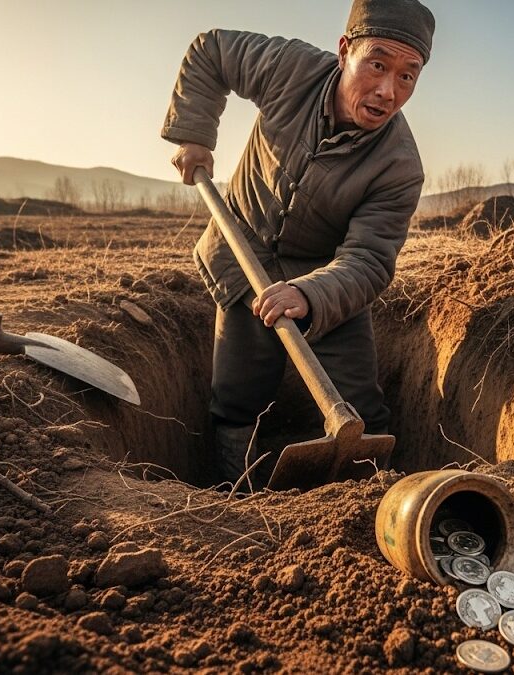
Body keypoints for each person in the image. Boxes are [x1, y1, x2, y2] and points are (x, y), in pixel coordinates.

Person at [162, 0, 435, 482]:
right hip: (242, 253)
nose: (387, 90)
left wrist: (309, 293)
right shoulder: (290, 69)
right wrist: (195, 132)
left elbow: (370, 260)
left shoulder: (399, 165)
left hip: (327, 276)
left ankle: (366, 497)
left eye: (408, 76)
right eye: (377, 64)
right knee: (237, 392)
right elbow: (211, 51)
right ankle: (231, 491)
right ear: (344, 51)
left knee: (359, 402)